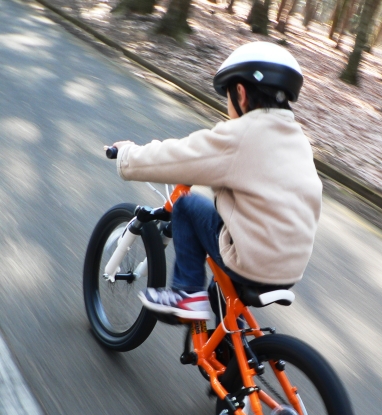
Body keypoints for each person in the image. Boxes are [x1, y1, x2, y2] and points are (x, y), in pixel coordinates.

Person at [110, 42, 322, 321]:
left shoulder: (241, 134)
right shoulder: (299, 141)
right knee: (218, 290)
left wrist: (126, 153)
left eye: (228, 97)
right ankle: (237, 355)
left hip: (250, 261)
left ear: (240, 93)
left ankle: (186, 294)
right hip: (290, 268)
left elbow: (175, 158)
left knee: (187, 206)